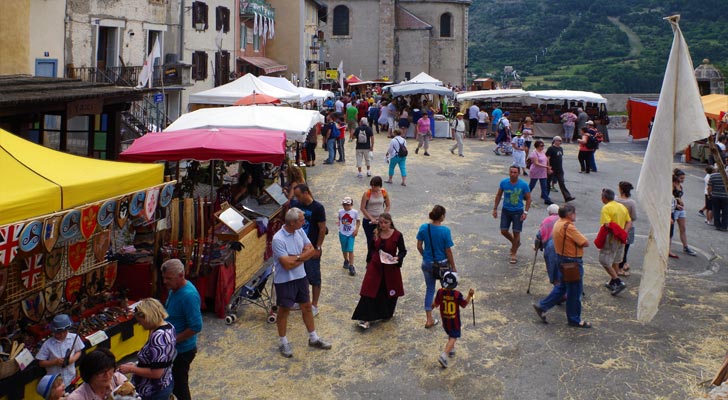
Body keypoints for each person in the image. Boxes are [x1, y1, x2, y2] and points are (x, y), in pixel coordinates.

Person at [272, 208, 332, 358]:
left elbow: (311, 250)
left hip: (300, 277)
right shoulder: (278, 239)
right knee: (284, 310)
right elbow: (286, 265)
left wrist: (296, 257)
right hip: (285, 280)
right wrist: (303, 256)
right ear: (292, 222)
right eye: (301, 220)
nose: (304, 222)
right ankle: (283, 342)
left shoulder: (299, 231)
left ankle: (313, 338)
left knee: (306, 306)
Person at [532, 204, 591, 328]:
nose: (575, 215)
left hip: (561, 259)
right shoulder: (568, 227)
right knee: (574, 291)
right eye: (574, 213)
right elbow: (585, 242)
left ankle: (542, 306)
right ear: (570, 214)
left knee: (562, 287)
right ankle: (574, 319)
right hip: (572, 261)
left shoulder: (558, 223)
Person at [352, 213, 407, 329]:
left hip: (390, 267)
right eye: (381, 222)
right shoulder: (376, 233)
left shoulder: (397, 235)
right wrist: (369, 263)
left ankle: (385, 313)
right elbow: (371, 249)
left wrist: (398, 258)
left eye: (385, 223)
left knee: (388, 290)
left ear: (390, 222)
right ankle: (366, 318)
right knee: (369, 290)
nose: (383, 225)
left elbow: (403, 251)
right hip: (376, 266)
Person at [161, 258, 202, 400]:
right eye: (164, 278)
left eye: (169, 278)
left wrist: (173, 340)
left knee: (180, 386)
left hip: (182, 350)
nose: (165, 281)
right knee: (174, 384)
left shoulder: (188, 295)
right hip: (175, 348)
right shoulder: (174, 289)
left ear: (181, 275)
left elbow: (196, 326)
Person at [119, 298, 176, 400]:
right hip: (165, 382)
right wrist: (137, 364)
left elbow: (156, 373)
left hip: (153, 390)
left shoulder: (158, 337)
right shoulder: (170, 327)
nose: (140, 324)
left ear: (148, 317)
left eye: (140, 321)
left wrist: (131, 369)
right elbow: (158, 361)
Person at [416, 205, 457, 329]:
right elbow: (448, 251)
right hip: (443, 264)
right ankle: (449, 315)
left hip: (427, 263)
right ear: (442, 216)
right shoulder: (445, 231)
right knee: (447, 289)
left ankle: (429, 319)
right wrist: (453, 266)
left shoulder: (424, 227)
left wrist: (426, 256)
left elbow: (419, 246)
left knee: (430, 289)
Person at [292, 184, 327, 315]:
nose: (297, 198)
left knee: (314, 277)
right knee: (299, 276)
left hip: (311, 248)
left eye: (299, 195)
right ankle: (300, 300)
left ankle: (314, 305)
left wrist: (318, 247)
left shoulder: (318, 208)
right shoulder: (296, 205)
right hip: (297, 248)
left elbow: (322, 228)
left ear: (306, 193)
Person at [432, 272, 474, 368]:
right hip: (454, 321)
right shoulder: (456, 294)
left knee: (450, 335)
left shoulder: (440, 292)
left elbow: (435, 304)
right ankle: (444, 355)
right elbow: (464, 304)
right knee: (453, 337)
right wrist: (469, 295)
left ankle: (451, 350)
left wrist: (432, 305)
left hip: (445, 320)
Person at [492, 165, 532, 264]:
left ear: (518, 173)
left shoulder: (523, 185)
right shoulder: (504, 182)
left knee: (516, 232)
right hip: (506, 210)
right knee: (504, 231)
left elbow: (529, 199)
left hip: (518, 211)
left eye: (515, 172)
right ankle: (515, 242)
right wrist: (495, 208)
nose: (513, 174)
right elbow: (499, 195)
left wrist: (525, 212)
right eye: (511, 172)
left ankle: (514, 253)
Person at [597, 189, 631, 296]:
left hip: (611, 238)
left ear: (604, 198)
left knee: (604, 260)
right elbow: (629, 222)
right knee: (615, 261)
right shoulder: (622, 206)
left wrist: (618, 233)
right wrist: (623, 233)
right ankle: (612, 282)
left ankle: (617, 281)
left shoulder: (606, 208)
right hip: (621, 238)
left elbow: (607, 225)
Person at [36, 314, 85, 389]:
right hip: (55, 384)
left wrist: (72, 359)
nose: (62, 335)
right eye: (59, 333)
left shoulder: (74, 338)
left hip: (71, 379)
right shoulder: (47, 344)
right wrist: (54, 362)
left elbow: (79, 351)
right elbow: (41, 363)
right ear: (53, 331)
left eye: (64, 332)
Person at [360, 176, 391, 263]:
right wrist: (371, 218)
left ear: (379, 186)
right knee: (371, 242)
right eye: (372, 185)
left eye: (375, 186)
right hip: (368, 221)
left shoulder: (384, 192)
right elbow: (362, 208)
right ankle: (370, 261)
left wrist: (384, 216)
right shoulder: (367, 193)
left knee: (381, 241)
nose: (373, 187)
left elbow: (388, 205)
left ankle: (379, 260)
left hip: (380, 221)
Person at [672, 169, 698, 255]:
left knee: (683, 228)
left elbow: (678, 196)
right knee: (669, 231)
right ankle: (666, 248)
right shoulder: (672, 185)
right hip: (673, 210)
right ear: (676, 177)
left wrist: (681, 201)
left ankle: (685, 247)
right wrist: (676, 204)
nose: (683, 180)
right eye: (681, 178)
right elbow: (668, 198)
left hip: (680, 210)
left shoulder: (680, 186)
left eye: (683, 178)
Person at [536, 204, 562, 288]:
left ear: (550, 212)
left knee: (553, 268)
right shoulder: (564, 219)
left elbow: (539, 235)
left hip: (551, 247)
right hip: (565, 246)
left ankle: (558, 291)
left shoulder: (546, 221)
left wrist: (537, 246)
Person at [615, 182, 637, 276]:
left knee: (617, 247)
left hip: (617, 225)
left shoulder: (615, 199)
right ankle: (622, 264)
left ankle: (621, 263)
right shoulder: (631, 202)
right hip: (627, 226)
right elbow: (634, 216)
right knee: (625, 247)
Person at [545, 136, 575, 202]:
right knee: (548, 182)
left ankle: (567, 197)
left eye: (560, 141)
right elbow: (547, 158)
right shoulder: (551, 148)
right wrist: (548, 167)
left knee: (562, 182)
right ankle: (545, 195)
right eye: (558, 140)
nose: (559, 142)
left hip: (559, 169)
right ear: (554, 141)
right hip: (552, 168)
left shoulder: (560, 148)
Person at [337, 196, 361, 276]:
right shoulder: (340, 212)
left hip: (351, 233)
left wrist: (356, 229)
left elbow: (358, 221)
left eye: (348, 205)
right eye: (344, 205)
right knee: (344, 249)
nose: (346, 206)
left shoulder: (355, 212)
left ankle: (351, 265)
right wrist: (339, 225)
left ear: (351, 204)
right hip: (342, 233)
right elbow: (339, 219)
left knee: (350, 249)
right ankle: (346, 260)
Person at [528, 140, 553, 205]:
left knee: (544, 186)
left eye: (543, 145)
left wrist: (548, 168)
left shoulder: (542, 152)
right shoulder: (534, 153)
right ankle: (525, 195)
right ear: (537, 146)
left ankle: (546, 199)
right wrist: (546, 167)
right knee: (532, 185)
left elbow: (546, 160)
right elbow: (536, 163)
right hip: (535, 171)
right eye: (541, 146)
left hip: (543, 171)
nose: (542, 147)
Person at [708, 166, 728, 231]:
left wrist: (709, 194)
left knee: (716, 211)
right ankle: (724, 226)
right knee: (726, 211)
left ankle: (717, 225)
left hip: (715, 196)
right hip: (726, 196)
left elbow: (709, 187)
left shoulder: (712, 176)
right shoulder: (726, 176)